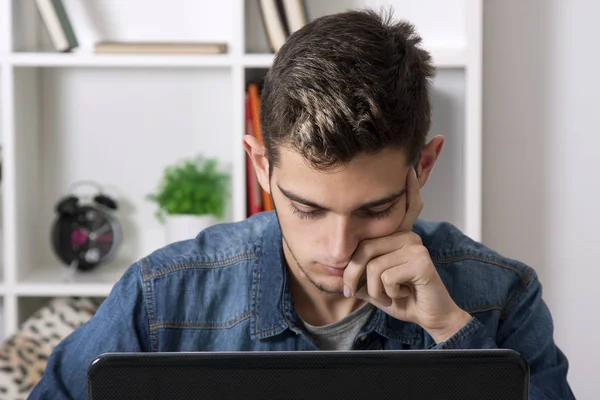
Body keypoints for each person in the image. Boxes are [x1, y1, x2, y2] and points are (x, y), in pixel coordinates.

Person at [28, 8, 575, 400]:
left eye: (375, 208)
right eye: (308, 209)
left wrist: (454, 335)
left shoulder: (503, 298)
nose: (337, 249)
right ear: (261, 166)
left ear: (423, 168)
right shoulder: (162, 295)